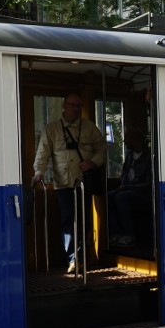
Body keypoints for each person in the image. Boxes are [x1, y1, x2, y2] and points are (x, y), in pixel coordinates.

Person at [32, 92, 106, 274]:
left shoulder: (90, 128)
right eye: (72, 105)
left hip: (84, 182)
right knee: (68, 220)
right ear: (64, 106)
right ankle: (74, 258)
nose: (76, 109)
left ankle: (80, 257)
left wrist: (92, 162)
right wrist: (38, 172)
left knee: (84, 220)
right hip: (64, 184)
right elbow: (43, 153)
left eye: (79, 106)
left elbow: (102, 149)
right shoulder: (52, 129)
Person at [108, 127, 152, 247]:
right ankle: (116, 233)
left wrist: (127, 188)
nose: (125, 142)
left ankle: (129, 234)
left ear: (136, 140)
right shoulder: (129, 155)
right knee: (108, 196)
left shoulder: (149, 157)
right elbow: (124, 172)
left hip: (143, 194)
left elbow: (149, 184)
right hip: (128, 189)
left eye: (127, 139)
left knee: (120, 197)